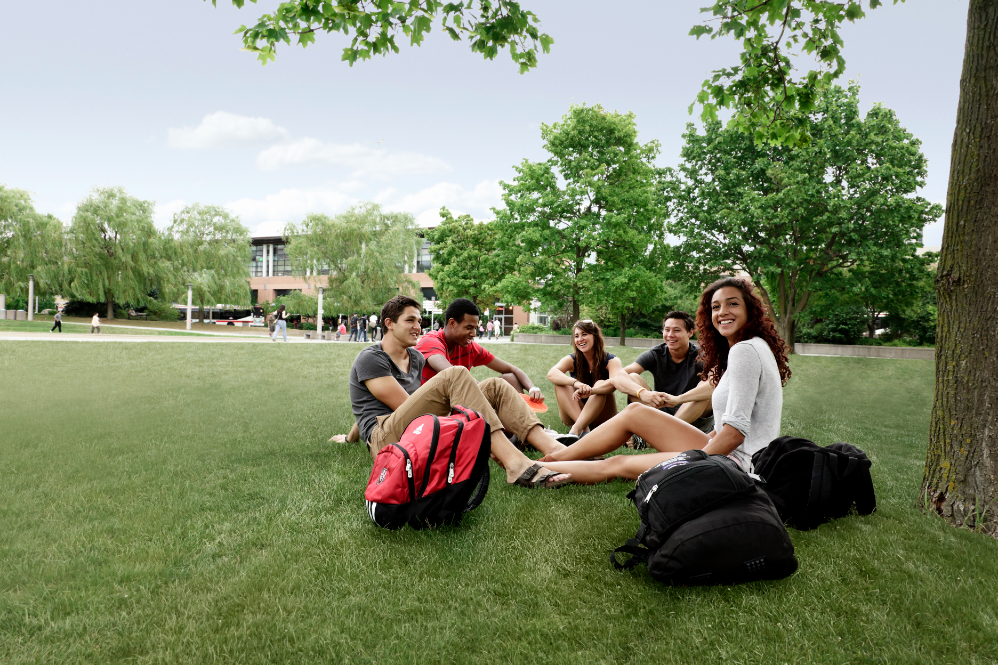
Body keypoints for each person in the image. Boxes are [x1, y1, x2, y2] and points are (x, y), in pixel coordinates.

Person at [537, 277, 791, 484]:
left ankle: (535, 468)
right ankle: (559, 456)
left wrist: (688, 462)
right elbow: (726, 428)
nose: (722, 312)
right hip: (722, 448)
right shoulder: (748, 347)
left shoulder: (744, 351)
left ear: (750, 310)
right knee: (635, 410)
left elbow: (735, 435)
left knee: (618, 463)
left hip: (736, 464)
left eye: (732, 304)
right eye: (716, 307)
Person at [344, 295, 572, 489]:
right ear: (389, 323)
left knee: (496, 386)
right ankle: (515, 464)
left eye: (419, 321)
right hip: (387, 441)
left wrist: (348, 437)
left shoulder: (414, 357)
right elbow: (405, 410)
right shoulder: (371, 359)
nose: (417, 327)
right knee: (457, 374)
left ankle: (555, 449)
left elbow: (373, 406)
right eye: (410, 320)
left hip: (412, 428)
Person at [611, 311, 715, 441]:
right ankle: (664, 434)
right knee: (632, 377)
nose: (670, 335)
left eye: (676, 330)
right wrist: (642, 393)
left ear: (690, 332)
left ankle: (662, 435)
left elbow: (714, 385)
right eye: (667, 330)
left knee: (703, 389)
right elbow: (618, 377)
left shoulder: (702, 355)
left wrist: (678, 399)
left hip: (693, 417)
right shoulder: (656, 353)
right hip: (663, 412)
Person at [416, 299, 546, 398]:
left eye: (475, 328)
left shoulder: (470, 348)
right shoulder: (431, 341)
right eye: (469, 328)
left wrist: (532, 388)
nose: (473, 334)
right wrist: (488, 389)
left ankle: (521, 429)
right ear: (452, 323)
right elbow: (454, 373)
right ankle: (521, 429)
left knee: (510, 378)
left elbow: (512, 369)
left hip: (459, 402)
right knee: (494, 390)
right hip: (432, 409)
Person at [546, 320, 622, 439]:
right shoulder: (573, 359)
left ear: (595, 336)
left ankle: (576, 429)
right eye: (576, 336)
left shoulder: (611, 360)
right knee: (561, 383)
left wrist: (591, 390)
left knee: (601, 384)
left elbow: (616, 383)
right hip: (575, 412)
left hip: (602, 415)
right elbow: (551, 373)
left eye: (584, 334)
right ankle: (583, 429)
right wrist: (577, 383)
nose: (580, 339)